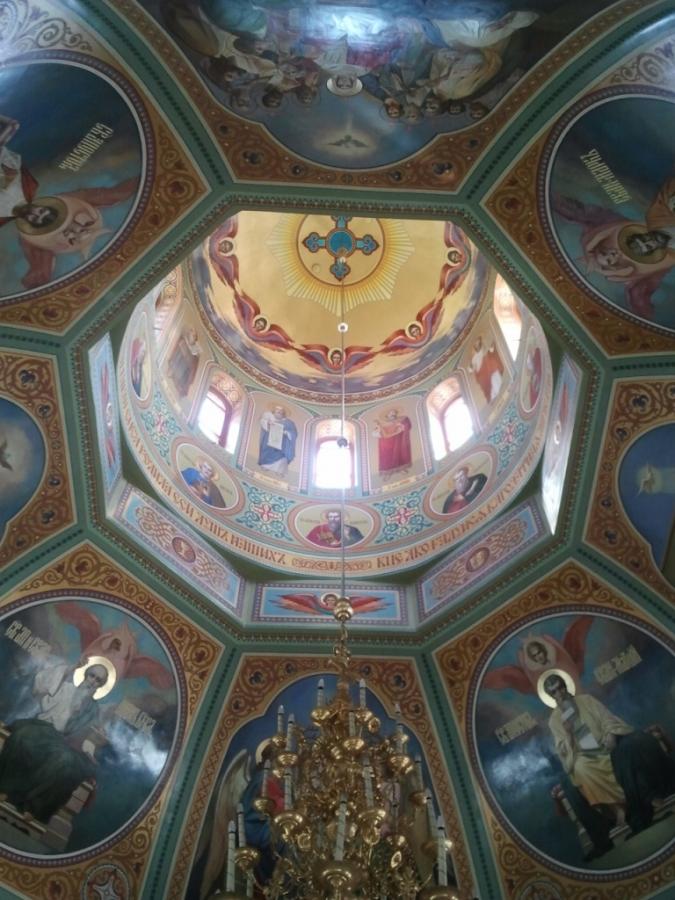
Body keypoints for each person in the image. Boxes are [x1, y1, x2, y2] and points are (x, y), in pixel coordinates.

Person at [544, 673, 675, 834]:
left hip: (605, 744)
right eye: (554, 692)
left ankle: (645, 799)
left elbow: (606, 717)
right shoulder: (554, 720)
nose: (559, 693)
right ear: (551, 696)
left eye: (560, 688)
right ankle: (618, 809)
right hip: (583, 755)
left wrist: (610, 734)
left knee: (628, 750)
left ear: (565, 686)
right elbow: (562, 749)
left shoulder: (586, 700)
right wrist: (569, 733)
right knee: (581, 769)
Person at [0, 661, 110, 822]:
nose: (92, 681)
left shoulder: (93, 709)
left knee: (64, 761)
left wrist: (93, 746)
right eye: (92, 676)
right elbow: (41, 691)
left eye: (98, 680)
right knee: (23, 737)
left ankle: (33, 808)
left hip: (63, 742)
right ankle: (6, 789)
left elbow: (88, 737)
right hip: (43, 727)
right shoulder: (66, 689)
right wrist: (70, 673)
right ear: (85, 675)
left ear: (101, 686)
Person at [258, 405, 297, 476]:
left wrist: (286, 432)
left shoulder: (288, 422)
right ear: (274, 411)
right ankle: (266, 465)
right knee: (267, 451)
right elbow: (262, 422)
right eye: (277, 411)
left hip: (282, 445)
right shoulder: (269, 419)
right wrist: (268, 424)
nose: (279, 412)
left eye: (281, 412)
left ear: (283, 413)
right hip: (268, 442)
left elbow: (293, 433)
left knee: (281, 456)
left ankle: (279, 471)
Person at [373, 408, 412, 477]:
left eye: (394, 413)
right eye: (391, 413)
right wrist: (379, 425)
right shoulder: (384, 424)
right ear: (387, 415)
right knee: (388, 458)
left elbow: (406, 425)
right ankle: (388, 473)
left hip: (397, 441)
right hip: (386, 444)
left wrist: (403, 425)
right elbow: (384, 435)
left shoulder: (399, 421)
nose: (393, 414)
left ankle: (400, 469)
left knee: (399, 455)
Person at [468, 335, 504, 403]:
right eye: (476, 344)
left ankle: (500, 391)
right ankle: (494, 397)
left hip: (489, 367)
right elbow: (471, 369)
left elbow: (490, 351)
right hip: (483, 373)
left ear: (480, 343)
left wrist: (491, 347)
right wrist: (471, 368)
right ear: (474, 346)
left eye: (478, 343)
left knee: (495, 378)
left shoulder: (484, 349)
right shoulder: (474, 358)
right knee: (489, 386)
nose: (477, 345)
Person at [167, 328, 200, 398]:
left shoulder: (196, 349)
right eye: (192, 335)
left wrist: (189, 355)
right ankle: (172, 372)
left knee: (184, 372)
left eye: (194, 336)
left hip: (186, 366)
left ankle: (181, 386)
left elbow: (194, 361)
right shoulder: (184, 339)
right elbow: (179, 346)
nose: (192, 337)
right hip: (180, 360)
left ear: (195, 339)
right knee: (179, 356)